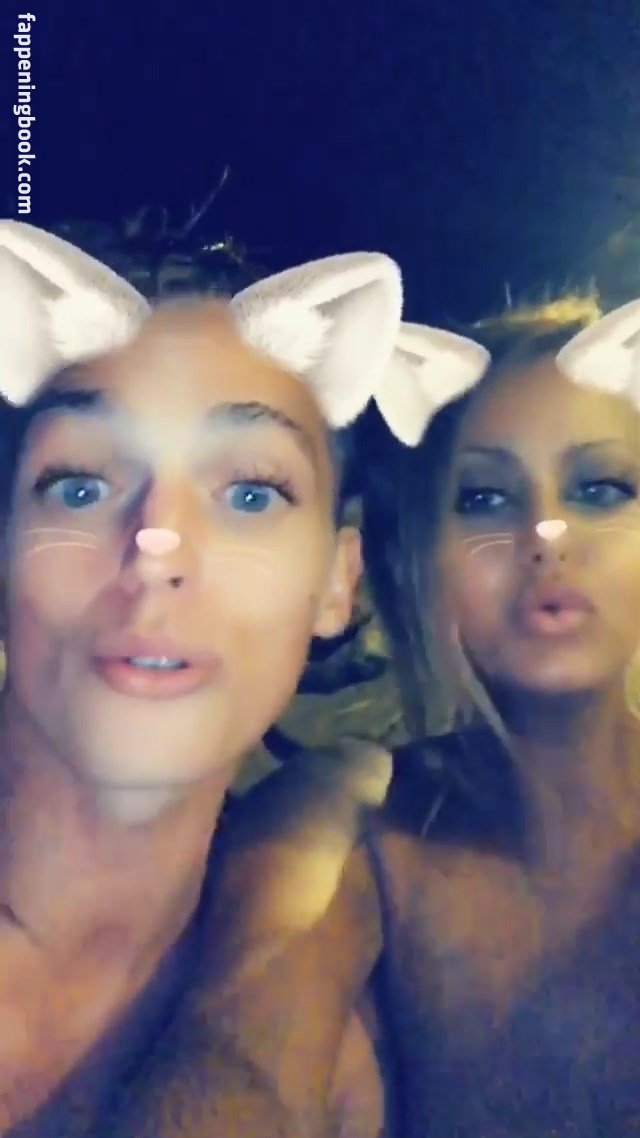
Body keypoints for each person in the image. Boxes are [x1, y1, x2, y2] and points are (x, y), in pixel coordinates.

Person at [0, 220, 409, 1138]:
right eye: (80, 485)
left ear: (335, 582)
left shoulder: (337, 1075)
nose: (159, 548)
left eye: (251, 494)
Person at [356, 295, 640, 1136]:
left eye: (600, 487)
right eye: (483, 497)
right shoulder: (357, 840)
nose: (547, 533)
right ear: (418, 555)